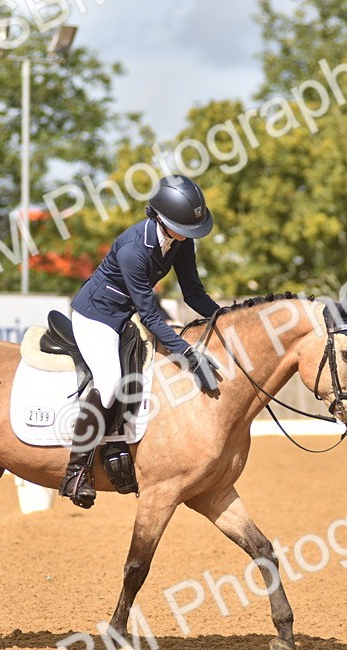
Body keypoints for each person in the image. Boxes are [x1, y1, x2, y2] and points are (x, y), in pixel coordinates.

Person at [60, 174, 223, 508]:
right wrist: (187, 353)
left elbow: (193, 293)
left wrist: (226, 319)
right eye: (185, 228)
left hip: (125, 315)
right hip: (97, 316)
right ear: (162, 219)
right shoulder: (135, 248)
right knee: (109, 382)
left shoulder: (180, 241)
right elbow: (150, 317)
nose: (189, 236)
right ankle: (76, 470)